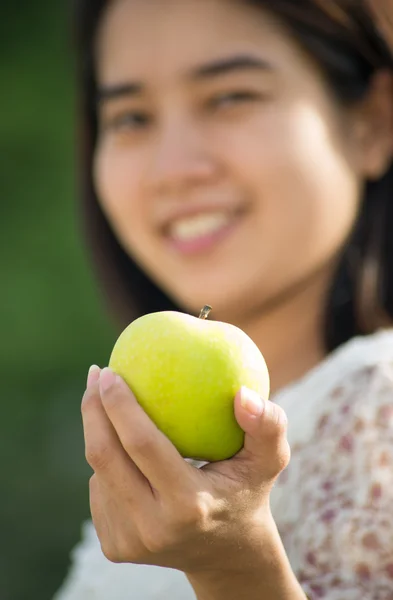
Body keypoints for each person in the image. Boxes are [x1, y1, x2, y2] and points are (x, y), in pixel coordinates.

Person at [55, 0, 393, 598]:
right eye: (131, 117)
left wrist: (234, 569)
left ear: (374, 123)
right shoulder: (155, 470)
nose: (173, 169)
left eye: (230, 97)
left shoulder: (380, 404)